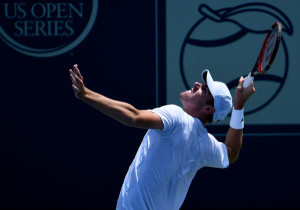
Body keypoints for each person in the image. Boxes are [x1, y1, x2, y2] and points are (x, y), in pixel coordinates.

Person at [69, 64, 255, 210]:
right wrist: (239, 106)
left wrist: (86, 94)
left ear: (208, 109)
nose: (197, 84)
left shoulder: (176, 117)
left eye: (204, 90)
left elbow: (133, 117)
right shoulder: (206, 145)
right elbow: (231, 151)